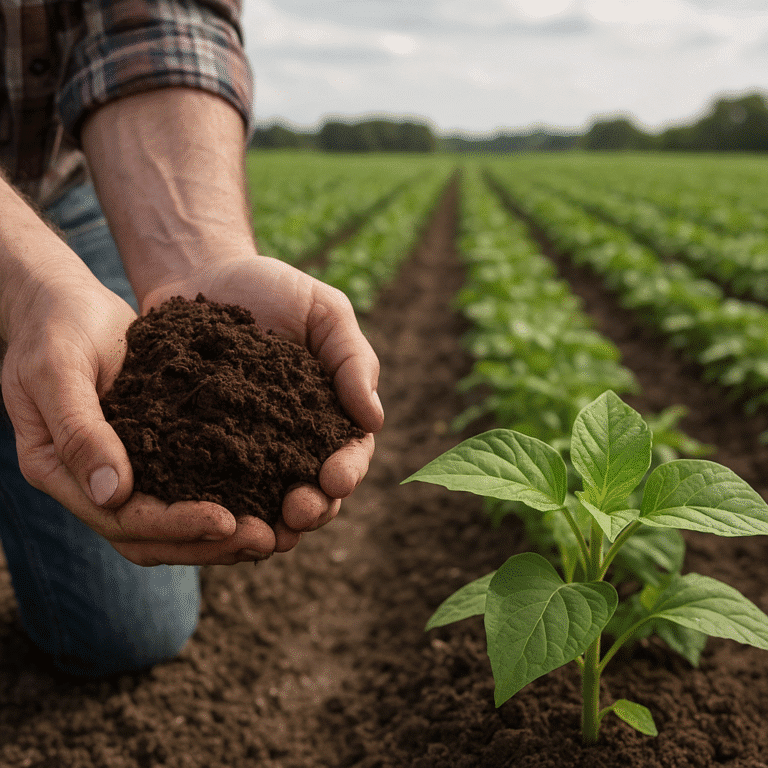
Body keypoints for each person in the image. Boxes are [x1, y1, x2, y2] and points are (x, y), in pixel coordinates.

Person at [0, 0, 383, 677]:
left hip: (57, 180)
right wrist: (26, 281)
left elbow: (157, 21)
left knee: (126, 631)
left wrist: (196, 255)